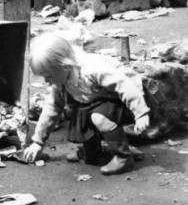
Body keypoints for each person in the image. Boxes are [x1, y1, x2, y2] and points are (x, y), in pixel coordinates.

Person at [23, 33, 150, 176]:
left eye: (49, 76)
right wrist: (38, 142)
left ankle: (123, 157)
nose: (46, 81)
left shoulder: (93, 69)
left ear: (65, 66)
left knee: (98, 117)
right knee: (80, 115)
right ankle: (94, 153)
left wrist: (141, 114)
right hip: (93, 99)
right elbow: (52, 108)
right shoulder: (61, 80)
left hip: (124, 99)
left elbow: (125, 86)